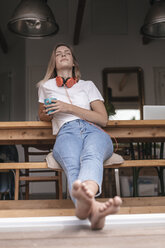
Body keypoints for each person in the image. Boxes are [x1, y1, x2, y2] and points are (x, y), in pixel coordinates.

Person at [38, 43, 122, 230]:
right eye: (58, 53)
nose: (63, 55)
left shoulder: (88, 86)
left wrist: (68, 107)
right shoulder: (45, 86)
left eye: (67, 52)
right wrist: (51, 112)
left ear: (74, 62)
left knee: (90, 154)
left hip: (93, 130)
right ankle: (94, 210)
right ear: (54, 62)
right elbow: (41, 115)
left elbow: (103, 119)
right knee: (73, 164)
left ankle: (87, 204)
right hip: (66, 131)